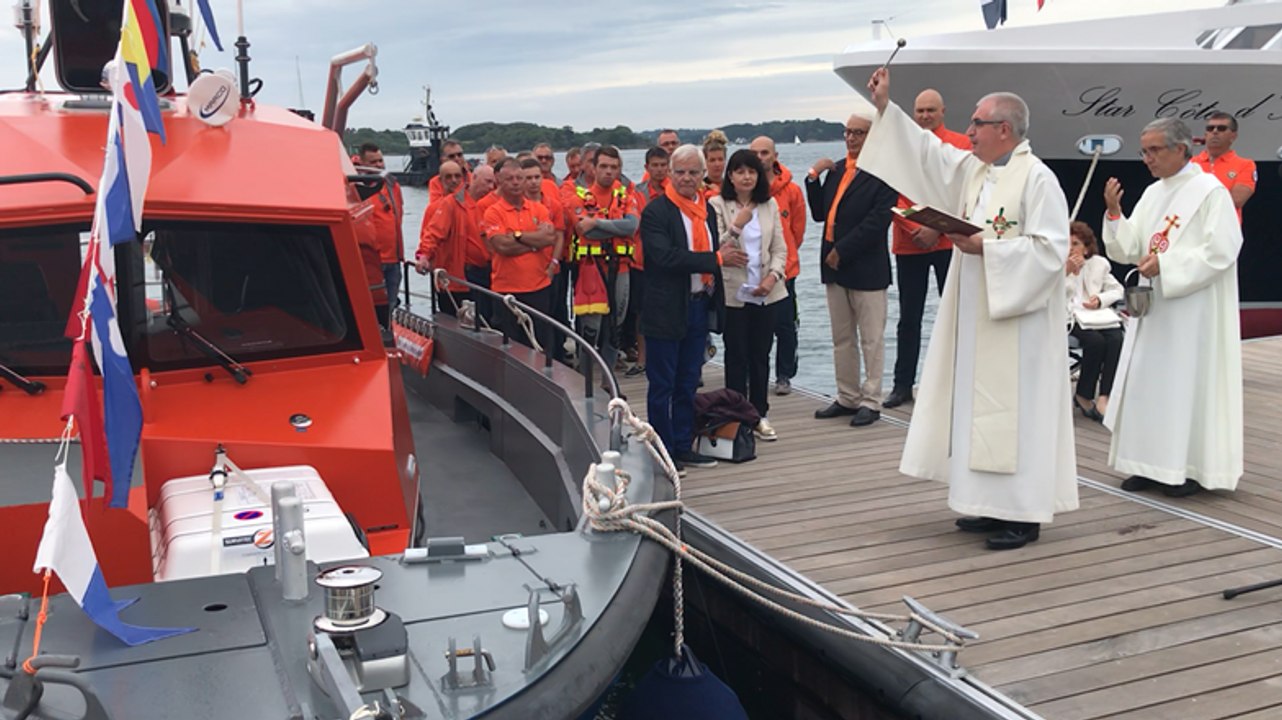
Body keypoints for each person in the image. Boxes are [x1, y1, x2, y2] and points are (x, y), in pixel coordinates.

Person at [862, 67, 1078, 551]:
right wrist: (885, 108)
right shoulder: (976, 171)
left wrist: (989, 248)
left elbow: (1051, 251)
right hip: (978, 314)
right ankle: (988, 503)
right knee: (979, 409)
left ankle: (1023, 513)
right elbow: (927, 154)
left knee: (1015, 413)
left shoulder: (1038, 179)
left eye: (977, 123)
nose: (969, 130)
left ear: (1004, 128)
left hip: (1019, 324)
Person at [1102, 117, 1243, 497]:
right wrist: (1114, 214)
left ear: (1180, 149)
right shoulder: (1154, 193)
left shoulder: (1209, 192)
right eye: (1144, 151)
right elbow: (1131, 247)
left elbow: (1223, 250)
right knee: (1148, 383)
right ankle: (1145, 464)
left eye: (1154, 150)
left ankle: (1186, 468)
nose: (1147, 158)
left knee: (1185, 384)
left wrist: (1167, 264)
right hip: (1155, 310)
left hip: (1192, 310)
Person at [640, 144, 748, 471]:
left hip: (698, 304)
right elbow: (665, 257)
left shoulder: (705, 210)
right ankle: (663, 451)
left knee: (689, 381)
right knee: (663, 384)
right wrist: (716, 259)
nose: (686, 178)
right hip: (665, 308)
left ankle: (684, 444)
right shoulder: (656, 212)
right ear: (670, 174)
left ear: (703, 175)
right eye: (680, 172)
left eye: (693, 172)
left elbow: (713, 251)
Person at [805, 110, 897, 429]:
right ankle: (847, 395)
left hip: (866, 266)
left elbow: (878, 221)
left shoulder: (884, 173)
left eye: (858, 133)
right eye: (848, 132)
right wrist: (813, 178)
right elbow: (820, 213)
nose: (851, 138)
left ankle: (871, 400)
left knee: (871, 338)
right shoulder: (838, 169)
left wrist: (843, 250)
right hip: (834, 267)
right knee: (842, 337)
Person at [885, 89, 972, 409]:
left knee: (956, 314)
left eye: (930, 110)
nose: (924, 116)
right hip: (909, 243)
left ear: (943, 111)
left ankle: (958, 381)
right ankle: (902, 384)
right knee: (909, 317)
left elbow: (966, 190)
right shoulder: (902, 146)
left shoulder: (961, 144)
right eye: (920, 111)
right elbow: (892, 192)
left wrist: (937, 228)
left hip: (950, 241)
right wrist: (915, 228)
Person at [709, 150, 789, 441]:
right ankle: (735, 415)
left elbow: (780, 248)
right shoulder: (717, 204)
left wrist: (773, 276)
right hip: (734, 292)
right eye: (740, 171)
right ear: (730, 176)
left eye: (752, 171)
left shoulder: (769, 204)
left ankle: (759, 414)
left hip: (766, 291)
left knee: (760, 354)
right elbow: (715, 247)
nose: (746, 177)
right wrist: (736, 226)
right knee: (736, 355)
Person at [566, 146, 639, 376]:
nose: (609, 171)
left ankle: (608, 380)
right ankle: (585, 375)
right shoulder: (578, 197)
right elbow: (585, 231)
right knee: (591, 326)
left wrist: (597, 222)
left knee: (615, 325)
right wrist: (611, 227)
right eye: (604, 166)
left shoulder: (626, 197)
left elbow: (631, 226)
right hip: (592, 268)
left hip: (621, 268)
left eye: (614, 167)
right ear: (593, 168)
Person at [749, 136, 807, 396]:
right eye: (755, 153)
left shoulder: (792, 190)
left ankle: (784, 375)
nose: (760, 158)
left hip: (785, 270)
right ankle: (753, 372)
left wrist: (785, 259)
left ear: (775, 156)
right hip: (752, 270)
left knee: (786, 326)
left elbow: (798, 231)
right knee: (753, 326)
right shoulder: (746, 189)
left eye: (765, 153)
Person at [481, 158, 558, 350]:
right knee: (510, 347)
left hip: (539, 288)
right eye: (510, 179)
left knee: (540, 344)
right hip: (506, 290)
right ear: (499, 181)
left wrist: (517, 236)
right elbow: (502, 246)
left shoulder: (539, 209)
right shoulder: (492, 212)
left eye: (519, 178)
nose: (515, 183)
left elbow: (550, 238)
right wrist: (535, 244)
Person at [1064, 221, 1123, 421]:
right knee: (1095, 342)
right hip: (1069, 316)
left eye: (1076, 244)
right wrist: (1068, 273)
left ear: (1087, 248)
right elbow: (1054, 294)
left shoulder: (1099, 264)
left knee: (1116, 337)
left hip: (1095, 315)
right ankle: (1083, 394)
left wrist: (1100, 299)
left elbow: (1118, 290)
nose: (1071, 248)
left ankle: (1105, 396)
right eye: (1067, 243)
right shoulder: (1057, 263)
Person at [627, 146, 672, 378]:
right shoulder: (637, 193)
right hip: (642, 261)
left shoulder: (675, 191)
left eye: (663, 165)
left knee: (672, 310)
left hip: (669, 262)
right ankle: (643, 359)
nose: (659, 170)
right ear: (647, 167)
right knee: (641, 312)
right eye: (655, 165)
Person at [414, 160, 473, 315]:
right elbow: (428, 236)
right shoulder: (434, 208)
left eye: (457, 176)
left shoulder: (472, 204)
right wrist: (423, 256)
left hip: (471, 276)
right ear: (440, 181)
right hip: (448, 278)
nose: (453, 180)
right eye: (448, 177)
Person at [356, 142, 404, 316]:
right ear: (362, 163)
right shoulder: (354, 187)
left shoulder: (392, 186)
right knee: (371, 308)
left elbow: (398, 216)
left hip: (393, 258)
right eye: (373, 162)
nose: (378, 165)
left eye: (380, 161)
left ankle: (389, 325)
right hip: (372, 260)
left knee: (390, 305)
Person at [1191, 111, 1255, 225]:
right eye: (1210, 128)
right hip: (1193, 228)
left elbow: (1236, 200)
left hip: (1225, 229)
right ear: (1205, 135)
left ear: (1233, 136)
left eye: (1221, 128)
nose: (1215, 131)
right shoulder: (1190, 163)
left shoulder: (1245, 164)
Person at [428, 139, 468, 204]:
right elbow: (435, 206)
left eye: (459, 155)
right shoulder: (436, 182)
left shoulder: (472, 178)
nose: (457, 158)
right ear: (442, 159)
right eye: (452, 156)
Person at [701, 130, 728, 200]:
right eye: (712, 160)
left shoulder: (733, 186)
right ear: (705, 162)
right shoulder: (699, 187)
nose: (717, 164)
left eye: (720, 159)